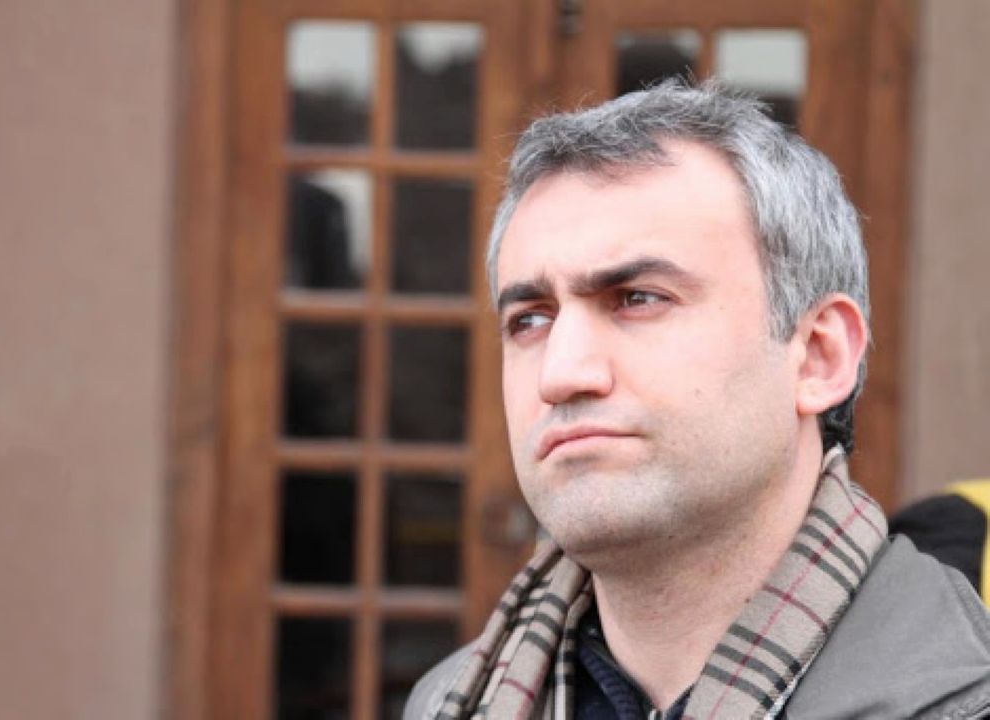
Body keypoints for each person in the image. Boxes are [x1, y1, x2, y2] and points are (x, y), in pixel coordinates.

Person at [405, 81, 990, 719]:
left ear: (819, 355)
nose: (561, 373)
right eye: (530, 320)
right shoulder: (446, 701)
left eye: (638, 298)